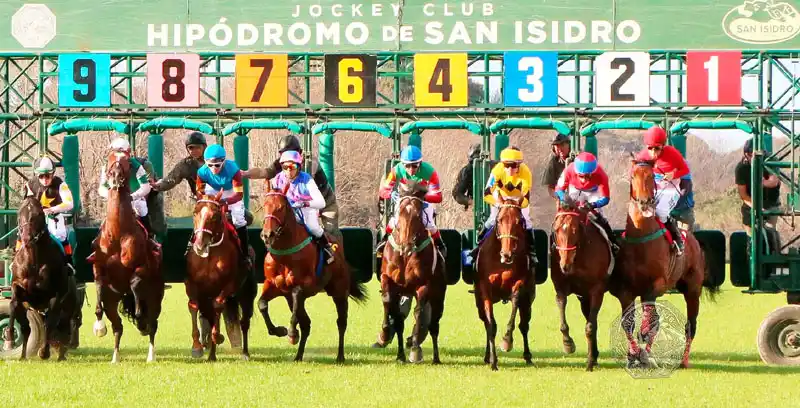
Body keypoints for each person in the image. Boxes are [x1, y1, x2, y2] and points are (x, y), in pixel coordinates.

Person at [244, 134, 340, 239]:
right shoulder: (282, 163)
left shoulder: (310, 163)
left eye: (292, 165)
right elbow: (264, 172)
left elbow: (306, 190)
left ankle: (331, 252)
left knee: (329, 231)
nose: (288, 169)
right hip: (299, 204)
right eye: (283, 154)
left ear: (300, 152)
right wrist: (244, 173)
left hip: (324, 202)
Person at [470, 147, 537, 267]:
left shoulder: (526, 172)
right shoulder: (497, 171)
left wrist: (516, 205)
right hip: (500, 198)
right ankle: (478, 246)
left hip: (518, 199)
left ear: (519, 165)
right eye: (506, 165)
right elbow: (487, 194)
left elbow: (525, 198)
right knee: (492, 218)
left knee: (527, 220)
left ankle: (532, 251)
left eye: (513, 166)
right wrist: (500, 204)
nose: (509, 169)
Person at [375, 145, 446, 257]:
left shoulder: (430, 171)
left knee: (429, 222)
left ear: (420, 163)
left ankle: (439, 244)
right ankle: (384, 240)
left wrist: (424, 198)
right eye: (407, 166)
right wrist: (391, 193)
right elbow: (383, 190)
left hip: (422, 197)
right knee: (395, 219)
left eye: (415, 166)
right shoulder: (397, 169)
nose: (411, 170)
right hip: (403, 196)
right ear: (403, 164)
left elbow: (438, 196)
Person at [269, 150, 335, 264]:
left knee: (313, 227)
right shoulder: (277, 179)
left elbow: (321, 203)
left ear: (299, 167)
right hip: (285, 210)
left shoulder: (307, 179)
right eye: (285, 166)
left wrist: (305, 203)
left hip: (305, 209)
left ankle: (327, 249)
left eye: (292, 166)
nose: (289, 170)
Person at [635, 126, 692, 256]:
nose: (653, 152)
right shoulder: (642, 156)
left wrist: (673, 174)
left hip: (671, 188)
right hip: (655, 188)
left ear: (663, 146)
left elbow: (685, 170)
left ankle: (677, 239)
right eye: (650, 148)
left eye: (657, 148)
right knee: (644, 210)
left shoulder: (673, 153)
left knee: (660, 212)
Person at [195, 144, 251, 269]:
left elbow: (239, 195)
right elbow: (199, 193)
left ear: (223, 161)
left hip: (231, 191)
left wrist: (225, 202)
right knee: (203, 214)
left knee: (239, 219)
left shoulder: (233, 170)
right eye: (210, 165)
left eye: (217, 165)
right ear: (205, 163)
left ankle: (245, 255)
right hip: (212, 190)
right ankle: (192, 245)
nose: (213, 168)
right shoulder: (202, 172)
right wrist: (207, 202)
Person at [554, 152, 619, 254]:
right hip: (574, 190)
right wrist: (564, 199)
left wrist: (593, 205)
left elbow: (606, 198)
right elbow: (558, 189)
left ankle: (612, 242)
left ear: (593, 172)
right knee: (564, 213)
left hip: (593, 192)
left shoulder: (602, 175)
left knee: (598, 216)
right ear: (576, 172)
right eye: (581, 176)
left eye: (588, 176)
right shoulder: (569, 170)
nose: (584, 180)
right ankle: (555, 241)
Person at [20, 156, 76, 270]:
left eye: (48, 176)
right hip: (36, 220)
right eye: (41, 176)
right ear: (37, 175)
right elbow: (26, 204)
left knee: (61, 237)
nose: (45, 179)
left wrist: (52, 210)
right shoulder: (30, 185)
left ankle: (68, 262)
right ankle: (16, 259)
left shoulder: (61, 184)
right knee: (23, 236)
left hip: (53, 218)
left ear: (53, 174)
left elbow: (70, 203)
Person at [98, 138, 155, 239]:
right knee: (104, 223)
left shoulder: (136, 165)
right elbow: (102, 187)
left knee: (142, 209)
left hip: (134, 200)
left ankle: (150, 238)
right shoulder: (106, 166)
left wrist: (132, 197)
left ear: (127, 153)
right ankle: (98, 243)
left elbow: (146, 187)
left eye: (121, 153)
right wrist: (111, 196)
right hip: (114, 201)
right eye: (115, 153)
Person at [735, 138, 781, 237]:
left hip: (770, 203)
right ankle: (751, 247)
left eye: (754, 155)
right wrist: (755, 206)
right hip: (751, 203)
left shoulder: (770, 161)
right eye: (749, 154)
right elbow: (743, 195)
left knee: (770, 233)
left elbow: (774, 181)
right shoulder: (741, 168)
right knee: (751, 234)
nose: (751, 157)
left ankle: (771, 248)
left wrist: (761, 182)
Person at [152, 131, 207, 196]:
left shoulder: (213, 159)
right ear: (187, 149)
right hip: (201, 199)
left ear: (204, 148)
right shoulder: (186, 164)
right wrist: (159, 186)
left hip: (217, 196)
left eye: (198, 147)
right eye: (191, 148)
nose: (194, 150)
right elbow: (172, 178)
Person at [542, 133, 576, 199]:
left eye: (562, 145)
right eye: (557, 146)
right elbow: (551, 188)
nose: (559, 148)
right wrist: (560, 198)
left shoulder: (577, 159)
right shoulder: (554, 161)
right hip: (562, 195)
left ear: (569, 145)